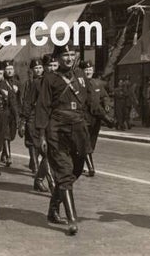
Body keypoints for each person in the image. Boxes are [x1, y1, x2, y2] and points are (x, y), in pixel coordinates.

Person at [36, 44, 91, 235]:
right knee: (65, 174)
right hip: (57, 129)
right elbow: (43, 107)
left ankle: (53, 209)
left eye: (72, 54)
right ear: (57, 58)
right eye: (64, 55)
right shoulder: (49, 79)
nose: (69, 58)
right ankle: (72, 219)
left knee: (75, 171)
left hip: (78, 130)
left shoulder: (81, 76)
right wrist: (42, 135)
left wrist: (107, 117)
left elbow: (91, 100)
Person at [19, 58, 50, 192]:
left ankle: (37, 170)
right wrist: (23, 121)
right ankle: (37, 170)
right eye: (35, 68)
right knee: (34, 144)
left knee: (45, 150)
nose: (38, 70)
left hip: (48, 119)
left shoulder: (51, 81)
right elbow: (26, 101)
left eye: (40, 67)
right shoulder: (31, 83)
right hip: (33, 117)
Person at [83, 60, 112, 176]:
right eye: (86, 70)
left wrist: (107, 104)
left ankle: (79, 163)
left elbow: (105, 96)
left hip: (96, 119)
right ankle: (91, 168)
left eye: (90, 70)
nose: (88, 71)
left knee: (91, 142)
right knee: (85, 142)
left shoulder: (97, 83)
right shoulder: (80, 84)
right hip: (84, 117)